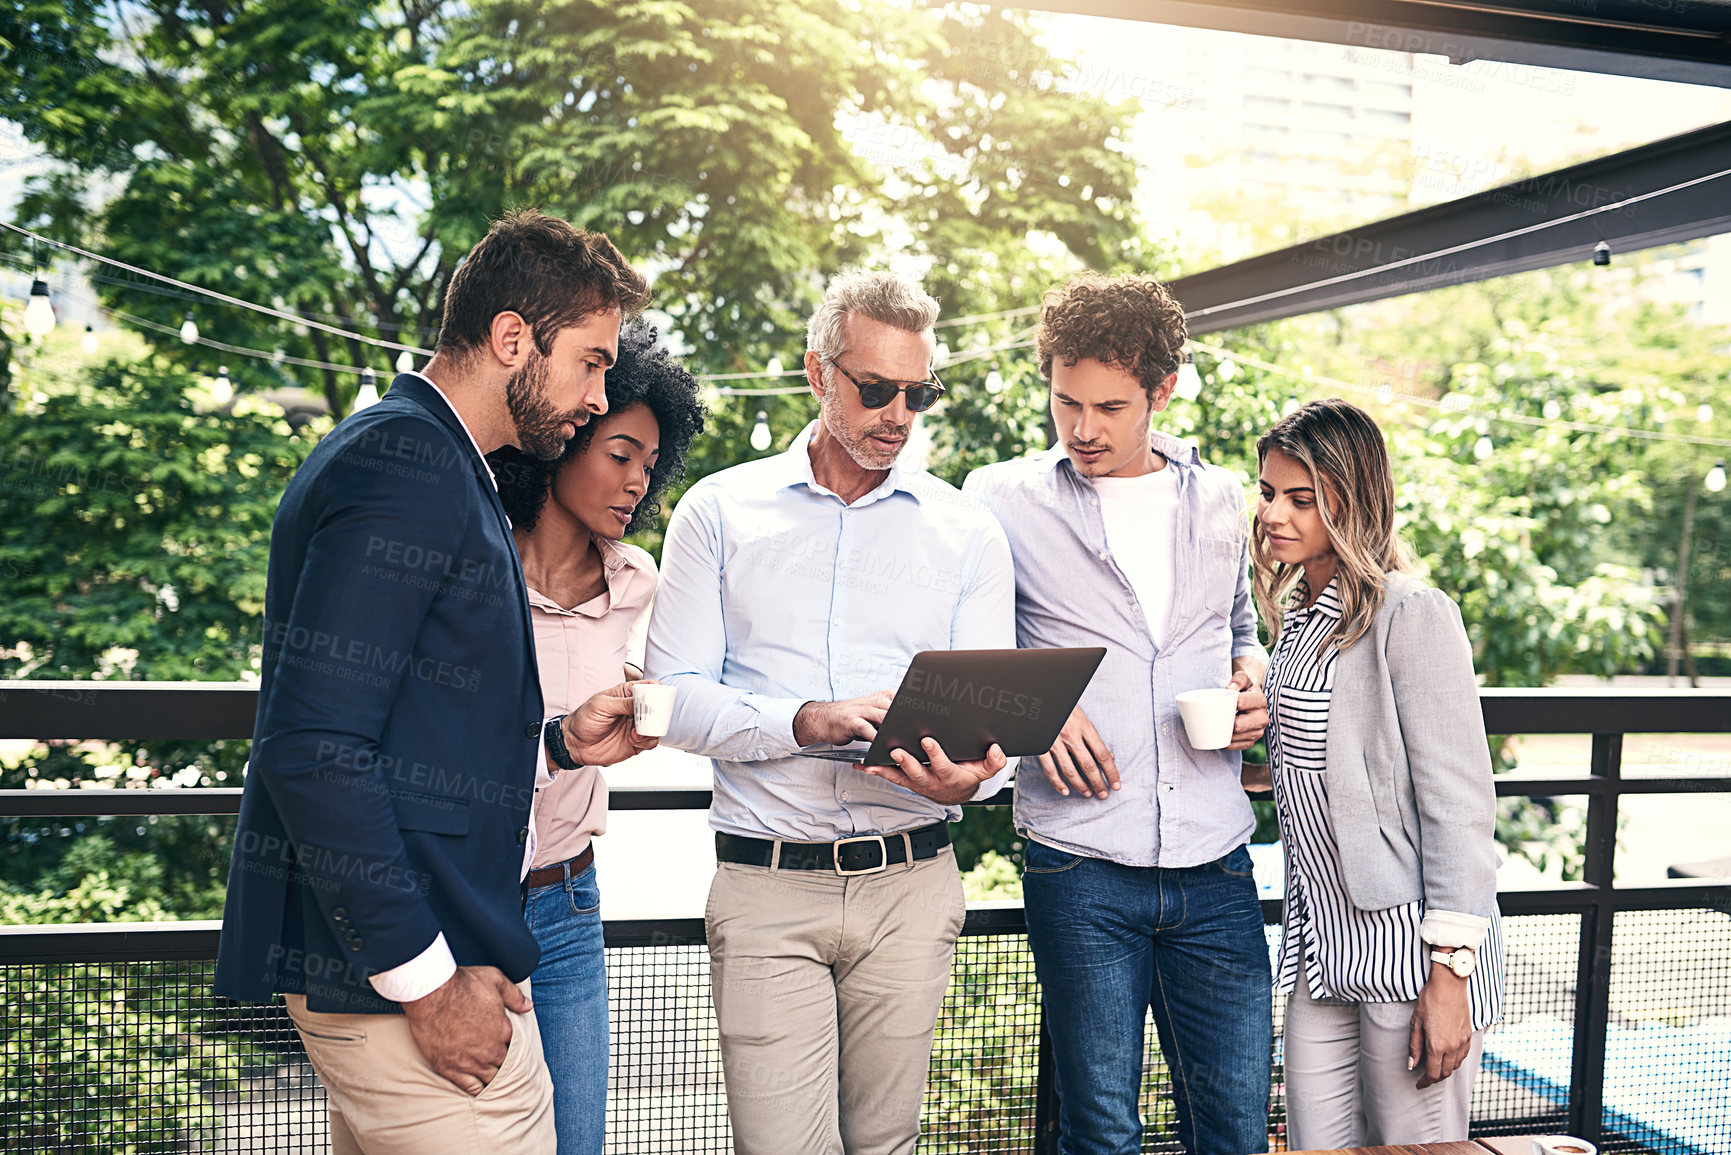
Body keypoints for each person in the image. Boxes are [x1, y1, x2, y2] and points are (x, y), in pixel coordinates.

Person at [215, 210, 660, 1154]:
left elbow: (406, 717)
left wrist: (555, 742)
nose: (597, 393)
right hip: (404, 982)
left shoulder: (436, 458)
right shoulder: (407, 464)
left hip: (397, 966)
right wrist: (428, 983)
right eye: (588, 361)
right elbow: (314, 748)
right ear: (511, 339)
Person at [643, 270, 1016, 1155]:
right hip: (766, 886)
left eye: (916, 393)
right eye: (875, 388)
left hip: (911, 883)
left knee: (885, 1147)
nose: (898, 413)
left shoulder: (966, 532)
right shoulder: (720, 512)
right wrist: (802, 721)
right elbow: (668, 700)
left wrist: (977, 773)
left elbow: (997, 727)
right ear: (818, 373)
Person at [964, 273, 1273, 1155]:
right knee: (1100, 1134)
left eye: (1108, 405)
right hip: (1080, 865)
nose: (1083, 428)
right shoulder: (997, 498)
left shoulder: (1218, 498)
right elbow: (957, 644)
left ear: (1162, 391)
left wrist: (1250, 677)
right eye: (1065, 402)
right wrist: (1034, 705)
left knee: (1236, 1130)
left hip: (1216, 862)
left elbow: (1239, 625)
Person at [1251, 398, 1504, 1145]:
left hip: (1406, 954)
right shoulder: (1298, 617)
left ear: (1353, 501)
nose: (1273, 514)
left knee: (1413, 1152)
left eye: (1302, 499)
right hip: (1315, 948)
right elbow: (1329, 765)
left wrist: (1450, 975)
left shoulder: (1411, 612)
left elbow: (1458, 805)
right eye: (1268, 492)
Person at [485, 321, 707, 1154]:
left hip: (570, 901)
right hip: (468, 902)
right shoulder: (481, 565)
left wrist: (645, 702)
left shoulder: (632, 579)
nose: (634, 482)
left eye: (648, 466)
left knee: (579, 1141)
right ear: (566, 436)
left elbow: (667, 687)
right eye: (620, 453)